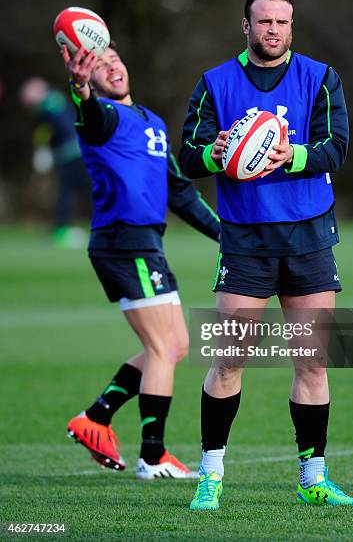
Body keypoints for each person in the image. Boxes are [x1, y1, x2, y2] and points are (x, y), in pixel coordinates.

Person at [179, 0, 353, 507]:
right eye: (264, 22)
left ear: (291, 25)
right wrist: (217, 155)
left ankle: (314, 480)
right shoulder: (215, 82)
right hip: (245, 241)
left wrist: (293, 154)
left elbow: (338, 146)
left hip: (309, 236)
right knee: (230, 358)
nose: (273, 30)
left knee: (312, 361)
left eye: (282, 22)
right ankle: (211, 476)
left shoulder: (320, 77)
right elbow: (188, 154)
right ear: (245, 25)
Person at [60, 42, 220, 479]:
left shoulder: (151, 122)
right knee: (162, 348)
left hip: (148, 244)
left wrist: (229, 236)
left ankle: (96, 417)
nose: (111, 66)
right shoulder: (103, 117)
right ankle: (153, 456)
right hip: (123, 245)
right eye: (99, 65)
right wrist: (79, 89)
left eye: (115, 59)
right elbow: (90, 116)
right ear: (90, 80)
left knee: (176, 347)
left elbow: (181, 192)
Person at [19, 78, 91, 248]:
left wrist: (44, 150)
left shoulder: (50, 104)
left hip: (73, 153)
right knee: (74, 192)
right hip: (74, 152)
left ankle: (62, 228)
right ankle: (61, 227)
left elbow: (58, 128)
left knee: (72, 192)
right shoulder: (53, 102)